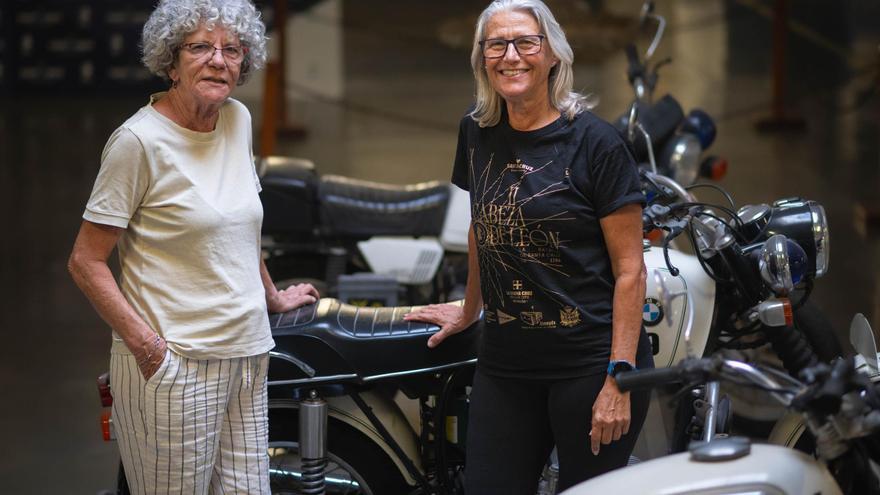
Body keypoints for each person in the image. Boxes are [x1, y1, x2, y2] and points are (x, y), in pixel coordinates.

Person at [67, 1, 318, 493]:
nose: (218, 60)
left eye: (231, 49)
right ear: (171, 60)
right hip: (175, 365)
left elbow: (238, 228)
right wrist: (148, 348)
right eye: (200, 47)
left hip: (246, 356)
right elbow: (85, 261)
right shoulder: (138, 142)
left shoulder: (236, 119)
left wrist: (272, 296)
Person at [404, 0, 654, 492]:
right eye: (495, 44)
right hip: (506, 364)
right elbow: (483, 227)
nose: (510, 55)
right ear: (482, 58)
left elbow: (631, 271)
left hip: (589, 365)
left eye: (525, 42)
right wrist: (469, 309)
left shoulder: (596, 144)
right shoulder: (476, 132)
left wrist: (619, 378)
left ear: (553, 55)